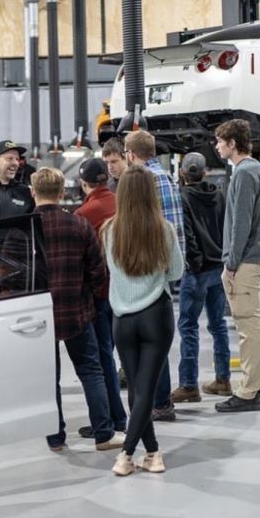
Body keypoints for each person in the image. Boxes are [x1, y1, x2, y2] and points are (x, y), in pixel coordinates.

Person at [31, 166, 124, 454]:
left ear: (33, 192)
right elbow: (98, 271)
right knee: (90, 370)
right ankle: (103, 434)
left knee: (48, 377)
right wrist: (90, 300)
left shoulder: (23, 230)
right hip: (77, 311)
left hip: (38, 316)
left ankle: (56, 439)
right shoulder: (79, 224)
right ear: (61, 193)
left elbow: (11, 276)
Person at [102, 165, 184, 476]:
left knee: (137, 389)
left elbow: (114, 273)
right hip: (156, 316)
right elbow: (176, 273)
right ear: (151, 194)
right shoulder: (163, 229)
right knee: (145, 389)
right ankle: (127, 455)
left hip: (122, 318)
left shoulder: (109, 230)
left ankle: (153, 453)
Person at [124, 130, 185, 422]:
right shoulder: (163, 176)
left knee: (151, 350)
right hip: (160, 269)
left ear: (131, 154)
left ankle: (159, 403)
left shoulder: (150, 180)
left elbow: (167, 229)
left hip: (152, 273)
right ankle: (159, 402)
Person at [214, 119, 260, 412]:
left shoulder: (245, 174)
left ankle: (248, 392)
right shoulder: (255, 170)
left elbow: (241, 225)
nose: (217, 146)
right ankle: (257, 387)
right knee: (252, 325)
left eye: (220, 142)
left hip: (245, 262)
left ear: (233, 144)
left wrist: (231, 263)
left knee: (248, 328)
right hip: (251, 260)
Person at [170, 153, 232, 403]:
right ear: (205, 173)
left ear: (183, 174)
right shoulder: (218, 194)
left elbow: (187, 234)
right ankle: (223, 379)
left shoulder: (182, 197)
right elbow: (226, 228)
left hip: (197, 272)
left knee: (188, 327)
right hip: (219, 268)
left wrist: (194, 264)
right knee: (218, 325)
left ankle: (188, 385)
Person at [73, 158, 128, 438]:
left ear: (85, 184)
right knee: (132, 357)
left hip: (100, 295)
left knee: (103, 358)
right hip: (130, 291)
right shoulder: (124, 204)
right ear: (107, 178)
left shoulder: (84, 214)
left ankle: (114, 418)